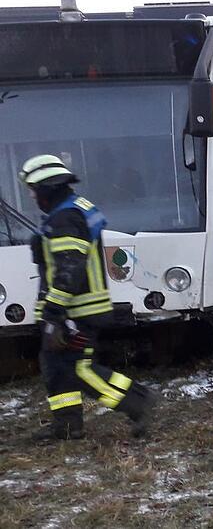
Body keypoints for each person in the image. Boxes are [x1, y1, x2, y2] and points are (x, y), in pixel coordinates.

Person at [20, 155, 156, 441]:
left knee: (79, 368)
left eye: (33, 189)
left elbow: (70, 266)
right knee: (55, 365)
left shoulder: (65, 217)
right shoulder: (72, 209)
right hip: (74, 308)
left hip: (77, 310)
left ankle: (139, 402)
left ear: (47, 188)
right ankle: (67, 425)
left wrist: (55, 312)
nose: (32, 196)